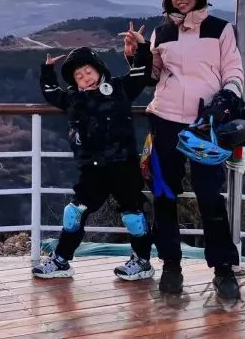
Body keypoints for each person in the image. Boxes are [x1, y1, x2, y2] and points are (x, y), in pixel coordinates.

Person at [125, 0, 244, 300]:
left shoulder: (220, 29)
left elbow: (233, 70)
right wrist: (136, 53)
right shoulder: (162, 32)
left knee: (210, 196)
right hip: (164, 121)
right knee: (164, 194)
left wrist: (228, 97)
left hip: (205, 124)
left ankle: (223, 269)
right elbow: (153, 76)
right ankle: (170, 265)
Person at [32, 29, 158, 281]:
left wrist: (142, 47)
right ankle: (61, 260)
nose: (85, 78)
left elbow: (142, 73)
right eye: (78, 76)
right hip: (91, 169)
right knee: (73, 213)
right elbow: (50, 91)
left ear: (99, 69)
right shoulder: (72, 99)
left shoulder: (120, 88)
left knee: (133, 214)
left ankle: (142, 262)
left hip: (123, 165)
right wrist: (47, 69)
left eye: (88, 71)